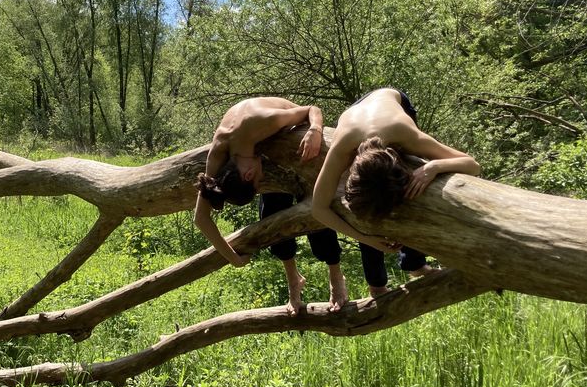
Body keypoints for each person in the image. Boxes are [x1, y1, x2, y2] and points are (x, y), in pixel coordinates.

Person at [311, 88, 481, 310]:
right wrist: (365, 236)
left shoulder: (406, 134)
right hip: (356, 113)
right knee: (369, 208)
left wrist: (433, 166)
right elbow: (318, 208)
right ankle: (377, 283)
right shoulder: (343, 147)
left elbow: (472, 164)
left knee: (413, 191)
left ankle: (414, 264)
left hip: (393, 100)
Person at [193, 97, 346, 314]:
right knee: (272, 216)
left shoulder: (260, 121)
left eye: (258, 184)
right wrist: (233, 259)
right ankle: (294, 279)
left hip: (302, 145)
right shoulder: (219, 151)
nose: (262, 180)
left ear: (248, 174)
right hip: (269, 155)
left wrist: (315, 130)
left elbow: (312, 109)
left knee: (316, 212)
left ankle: (335, 275)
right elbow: (201, 218)